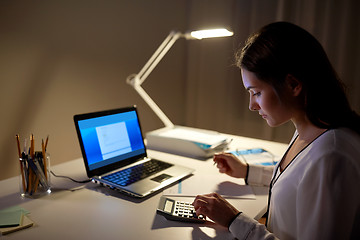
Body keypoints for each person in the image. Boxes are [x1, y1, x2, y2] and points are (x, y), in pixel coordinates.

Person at [192, 22, 360, 239]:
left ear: (293, 85)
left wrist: (235, 220)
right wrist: (247, 172)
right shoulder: (311, 129)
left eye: (257, 92)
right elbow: (298, 183)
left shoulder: (331, 156)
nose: (252, 105)